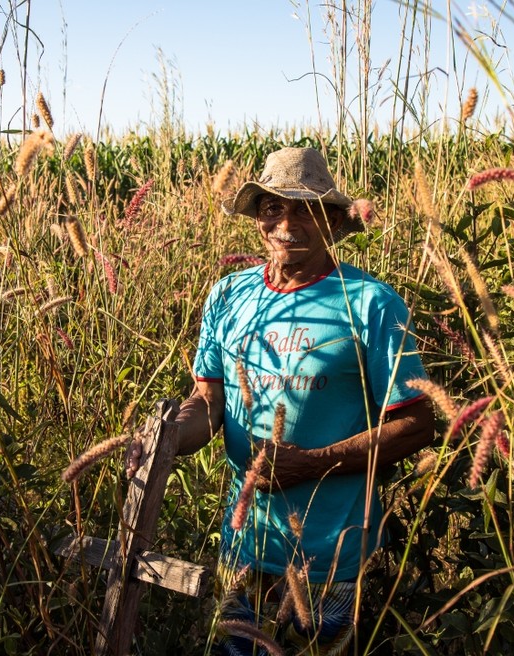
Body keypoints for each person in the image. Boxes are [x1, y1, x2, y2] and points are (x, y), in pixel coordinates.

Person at [174, 147, 435, 655]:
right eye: (272, 207)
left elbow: (418, 424)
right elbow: (207, 404)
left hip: (330, 555)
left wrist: (314, 463)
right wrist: (160, 440)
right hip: (245, 545)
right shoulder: (228, 296)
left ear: (334, 222)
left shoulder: (371, 303)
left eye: (305, 208)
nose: (286, 222)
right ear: (257, 219)